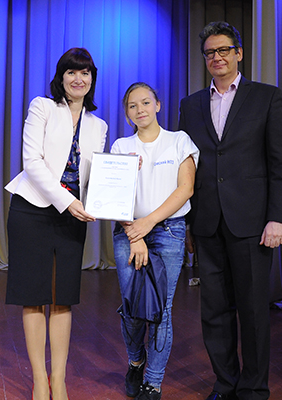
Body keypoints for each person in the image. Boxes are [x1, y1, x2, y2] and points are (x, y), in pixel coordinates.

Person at [178, 21, 282, 400]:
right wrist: (188, 224)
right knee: (214, 311)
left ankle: (254, 389)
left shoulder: (266, 97)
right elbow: (185, 168)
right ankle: (225, 384)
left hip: (253, 223)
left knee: (254, 311)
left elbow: (280, 163)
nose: (217, 57)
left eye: (224, 50)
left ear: (239, 53)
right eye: (210, 52)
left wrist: (278, 217)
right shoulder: (190, 105)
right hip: (207, 222)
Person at [4, 48, 107, 400]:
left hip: (72, 216)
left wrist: (123, 172)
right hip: (32, 210)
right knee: (33, 297)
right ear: (61, 78)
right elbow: (31, 162)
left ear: (92, 79)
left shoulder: (99, 126)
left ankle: (59, 381)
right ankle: (38, 380)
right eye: (71, 72)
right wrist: (68, 201)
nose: (79, 79)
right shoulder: (43, 107)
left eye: (85, 73)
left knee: (63, 298)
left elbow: (95, 176)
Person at [112, 82, 199, 400]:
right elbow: (113, 194)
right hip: (128, 232)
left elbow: (185, 189)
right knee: (133, 308)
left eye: (146, 102)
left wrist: (148, 223)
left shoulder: (179, 141)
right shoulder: (121, 147)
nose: (140, 109)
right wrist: (135, 233)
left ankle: (153, 382)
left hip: (169, 232)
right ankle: (136, 362)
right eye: (133, 105)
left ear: (158, 105)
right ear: (127, 113)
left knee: (161, 310)